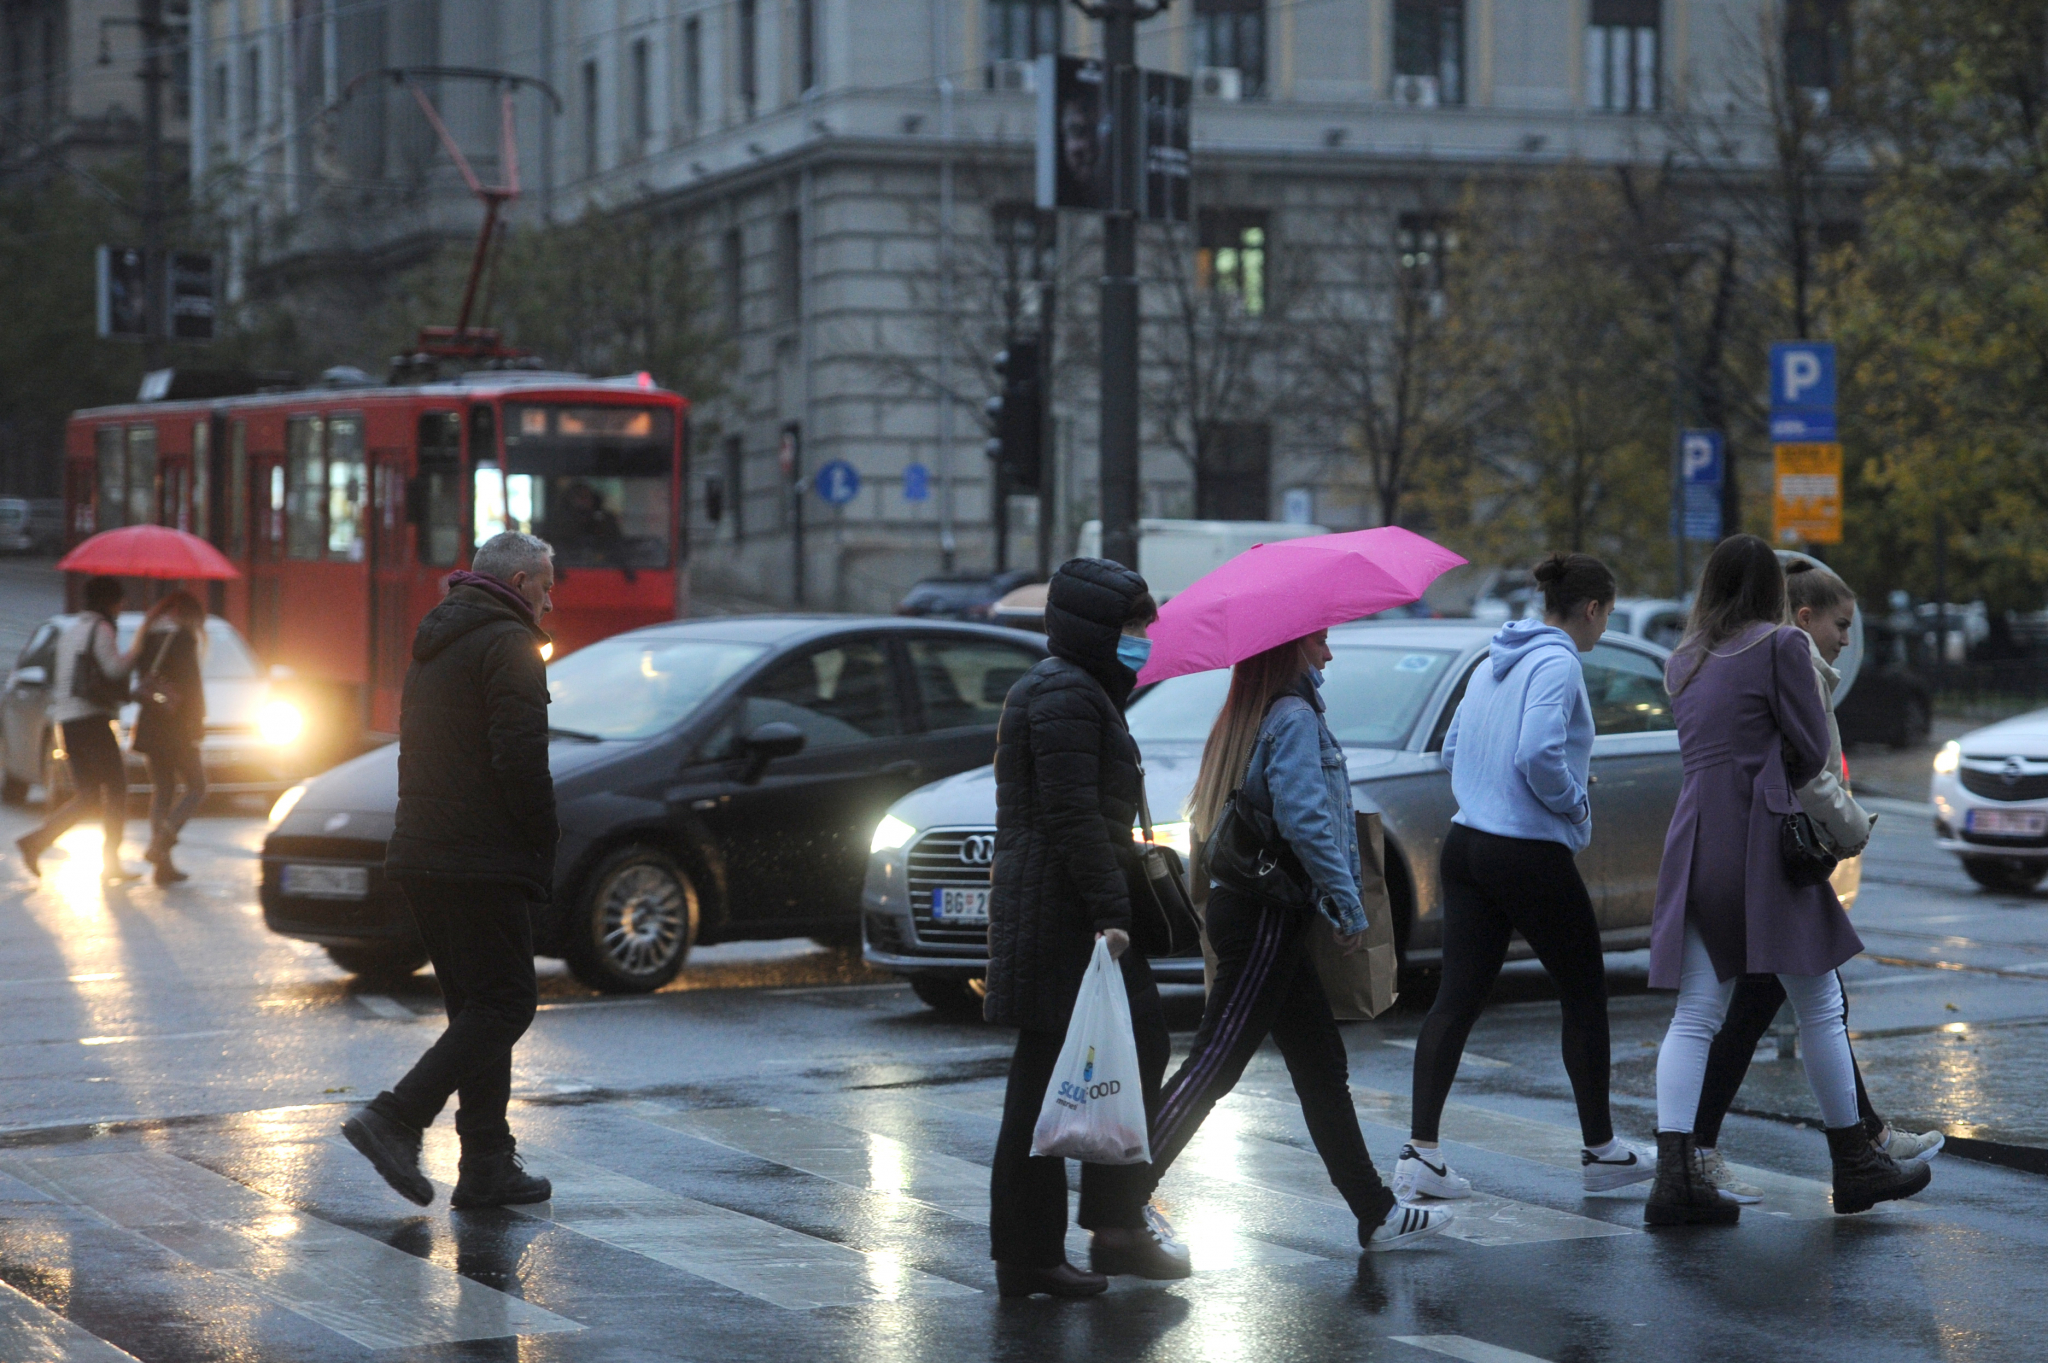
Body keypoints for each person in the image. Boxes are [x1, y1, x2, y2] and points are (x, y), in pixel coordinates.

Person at [1644, 535, 1931, 1226]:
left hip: (1697, 839)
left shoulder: (1683, 659)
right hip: (1761, 841)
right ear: (1771, 589)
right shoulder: (1778, 647)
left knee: (1695, 1013)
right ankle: (1856, 1162)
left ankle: (1674, 1176)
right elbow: (1809, 751)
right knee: (1820, 1005)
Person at [1134, 628, 1451, 1253]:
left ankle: (1376, 1214)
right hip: (1264, 914)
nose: (1328, 654)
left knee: (1320, 1066)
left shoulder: (1252, 714)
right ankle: (1120, 1195)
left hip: (1258, 910)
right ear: (1291, 649)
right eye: (1321, 643)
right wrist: (1346, 903)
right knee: (1216, 1063)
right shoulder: (1293, 715)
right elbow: (1305, 817)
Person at [1397, 553, 1655, 1202]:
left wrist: (1487, 796)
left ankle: (1420, 1154)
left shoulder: (1493, 658)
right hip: (1525, 850)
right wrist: (1573, 799)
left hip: (1467, 843)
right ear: (1592, 608)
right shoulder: (1560, 660)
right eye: (1608, 612)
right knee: (1584, 993)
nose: (1605, 625)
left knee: (1455, 999)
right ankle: (1602, 1152)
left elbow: (1456, 749)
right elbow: (1538, 751)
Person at [985, 557, 1186, 1299]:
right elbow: (1072, 816)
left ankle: (1102, 1230)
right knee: (1048, 1085)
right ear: (1094, 628)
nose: (1140, 639)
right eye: (1131, 626)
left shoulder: (1078, 690)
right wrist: (1111, 911)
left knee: (1103, 1062)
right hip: (1063, 920)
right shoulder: (1065, 694)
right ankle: (1061, 1243)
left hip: (1062, 914)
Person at [342, 531, 560, 1211]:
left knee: (477, 1007)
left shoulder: (438, 640)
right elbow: (520, 758)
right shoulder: (509, 642)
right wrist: (541, 840)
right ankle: (397, 1116)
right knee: (507, 1002)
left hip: (426, 852)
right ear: (521, 581)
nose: (550, 603)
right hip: (480, 856)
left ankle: (488, 1162)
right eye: (547, 587)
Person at [16, 575, 160, 884]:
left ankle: (35, 842)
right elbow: (113, 670)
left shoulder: (73, 629)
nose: (124, 606)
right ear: (109, 601)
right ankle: (110, 862)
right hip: (91, 721)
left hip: (67, 722)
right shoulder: (102, 629)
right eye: (121, 600)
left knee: (89, 796)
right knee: (118, 789)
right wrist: (136, 652)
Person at [131, 590, 208, 887]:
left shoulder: (147, 635)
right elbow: (192, 685)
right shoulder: (183, 638)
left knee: (162, 789)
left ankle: (163, 867)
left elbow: (142, 677)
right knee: (198, 786)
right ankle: (161, 842)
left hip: (150, 723)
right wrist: (197, 723)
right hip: (177, 726)